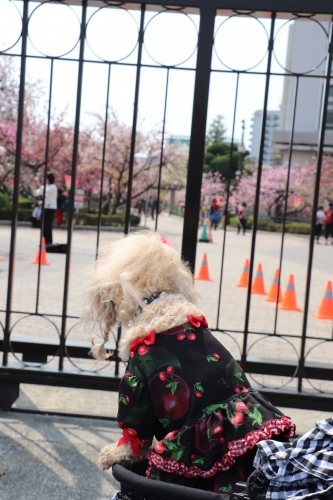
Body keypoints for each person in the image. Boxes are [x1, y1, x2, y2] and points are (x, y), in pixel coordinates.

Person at [84, 232, 295, 495]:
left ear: (120, 289)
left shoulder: (146, 350)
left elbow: (136, 421)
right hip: (251, 443)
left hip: (202, 460)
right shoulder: (196, 331)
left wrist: (129, 446)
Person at [33, 172, 57, 244]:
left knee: (48, 225)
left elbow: (44, 190)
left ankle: (49, 241)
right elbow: (36, 193)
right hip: (45, 207)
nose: (45, 180)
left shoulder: (53, 187)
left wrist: (38, 184)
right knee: (43, 225)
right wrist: (34, 185)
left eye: (46, 178)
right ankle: (44, 241)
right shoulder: (45, 186)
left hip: (51, 208)